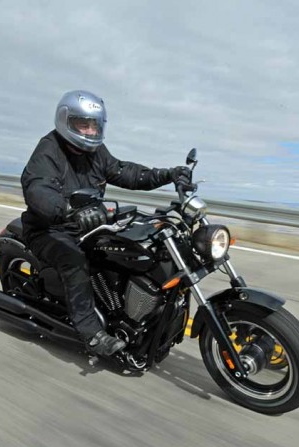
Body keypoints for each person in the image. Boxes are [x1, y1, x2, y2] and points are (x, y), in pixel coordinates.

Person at [20, 90, 192, 356]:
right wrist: (67, 210)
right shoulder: (48, 151)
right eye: (83, 124)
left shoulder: (96, 153)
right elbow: (38, 190)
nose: (90, 131)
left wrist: (169, 174)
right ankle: (92, 333)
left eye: (95, 125)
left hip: (87, 226)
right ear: (65, 120)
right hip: (49, 228)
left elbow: (125, 172)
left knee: (133, 248)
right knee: (74, 261)